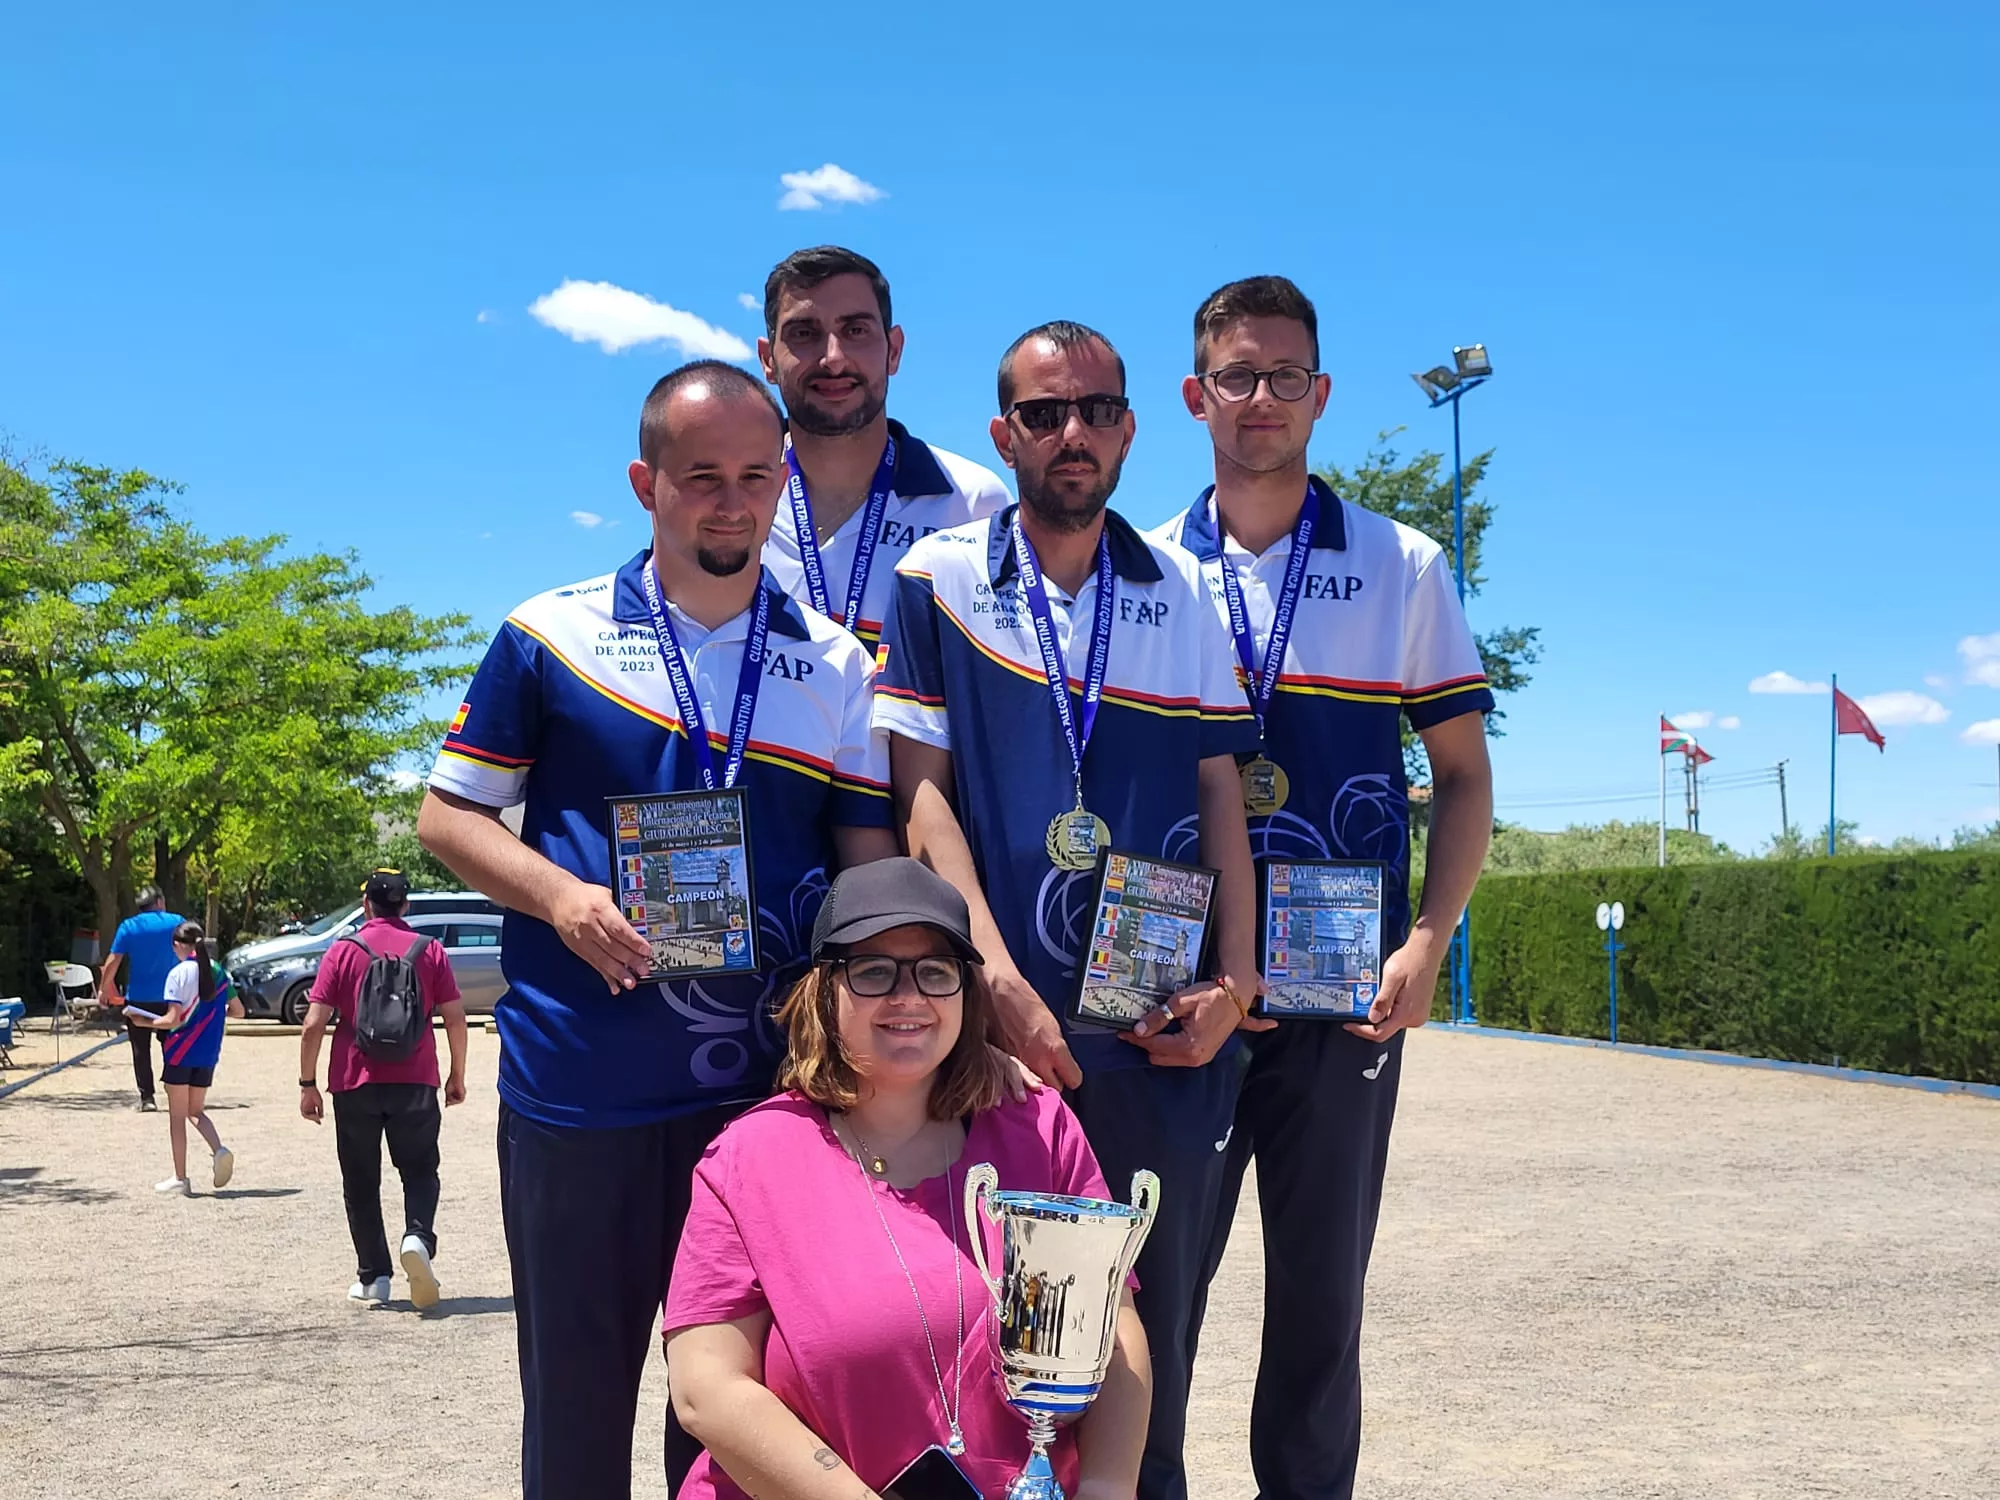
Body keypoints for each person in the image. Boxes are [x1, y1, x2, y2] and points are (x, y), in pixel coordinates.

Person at [416, 360, 899, 1500]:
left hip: (766, 1099)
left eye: (751, 475)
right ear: (646, 483)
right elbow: (446, 816)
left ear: (782, 479)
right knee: (577, 1410)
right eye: (698, 478)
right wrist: (558, 897)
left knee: (737, 1419)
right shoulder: (549, 633)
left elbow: (863, 858)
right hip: (580, 1088)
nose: (728, 502)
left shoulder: (833, 663)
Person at [872, 320, 1264, 1500]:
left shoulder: (1189, 589)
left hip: (1156, 1041)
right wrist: (988, 979)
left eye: (1095, 409)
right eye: (1043, 415)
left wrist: (1235, 983)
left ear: (1132, 427)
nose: (1072, 433)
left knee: (1154, 1357)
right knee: (978, 1345)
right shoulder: (936, 578)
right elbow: (920, 798)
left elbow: (1219, 795)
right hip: (990, 1040)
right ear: (1005, 433)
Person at [1154, 275, 1495, 1500]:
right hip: (1184, 995)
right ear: (1195, 395)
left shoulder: (1399, 564)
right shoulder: (1141, 572)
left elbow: (1461, 777)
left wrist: (1427, 941)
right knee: (1156, 1296)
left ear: (1319, 394)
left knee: (1317, 1310)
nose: (1259, 398)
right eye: (1236, 376)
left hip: (1344, 991)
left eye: (1283, 376)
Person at [666, 856, 1149, 1500]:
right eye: (872, 972)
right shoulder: (750, 1156)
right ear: (825, 991)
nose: (909, 997)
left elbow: (1114, 1331)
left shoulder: (1039, 1128)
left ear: (965, 993)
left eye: (936, 972)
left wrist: (1106, 1488)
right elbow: (706, 1388)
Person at [757, 245, 1009, 646]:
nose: (833, 358)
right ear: (768, 359)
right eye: (804, 333)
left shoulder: (972, 503)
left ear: (894, 350)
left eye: (855, 331)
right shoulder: (731, 501)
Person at [298, 868, 470, 1309]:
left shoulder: (343, 951)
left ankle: (374, 1276)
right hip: (416, 1079)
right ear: (406, 906)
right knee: (419, 1170)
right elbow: (454, 1017)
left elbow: (313, 1024)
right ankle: (417, 1236)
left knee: (360, 1179)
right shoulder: (429, 950)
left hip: (355, 1080)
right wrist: (456, 1075)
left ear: (366, 905)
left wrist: (308, 1084)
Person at [126, 920, 243, 1194]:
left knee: (177, 1117)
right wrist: (212, 1013)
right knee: (196, 1111)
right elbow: (238, 1010)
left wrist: (142, 1022)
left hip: (180, 1052)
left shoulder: (177, 974)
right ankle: (219, 1149)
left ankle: (181, 1178)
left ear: (178, 946)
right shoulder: (219, 973)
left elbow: (171, 1019)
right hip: (208, 1053)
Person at [99, 885, 184, 1110]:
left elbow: (113, 961)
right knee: (172, 1042)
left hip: (139, 996)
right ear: (159, 902)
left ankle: (147, 1098)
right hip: (171, 995)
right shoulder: (177, 922)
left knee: (140, 1047)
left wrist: (103, 989)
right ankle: (174, 1086)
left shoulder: (129, 926)